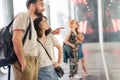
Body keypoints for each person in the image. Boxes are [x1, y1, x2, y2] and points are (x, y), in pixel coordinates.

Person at [33, 16, 62, 80]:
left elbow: (60, 47)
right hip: (40, 71)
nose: (47, 23)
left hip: (52, 69)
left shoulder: (50, 36)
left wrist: (59, 62)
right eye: (45, 22)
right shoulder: (33, 39)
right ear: (39, 25)